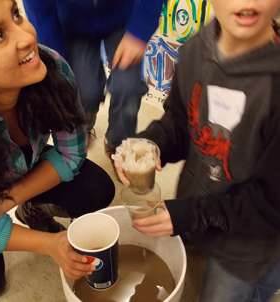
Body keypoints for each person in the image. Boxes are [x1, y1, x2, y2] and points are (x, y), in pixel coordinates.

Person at [0, 0, 115, 301]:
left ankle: (32, 210)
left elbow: (72, 154)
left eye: (16, 14)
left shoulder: (52, 69)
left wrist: (5, 203)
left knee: (96, 188)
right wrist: (50, 244)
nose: (28, 36)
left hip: (17, 178)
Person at [115, 0, 280, 301]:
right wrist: (154, 144)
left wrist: (193, 214)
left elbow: (271, 203)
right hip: (198, 213)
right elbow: (180, 120)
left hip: (247, 250)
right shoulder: (193, 51)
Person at [23, 0, 168, 163]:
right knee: (84, 91)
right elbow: (40, 15)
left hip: (121, 18)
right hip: (73, 26)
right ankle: (85, 126)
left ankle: (118, 144)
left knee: (128, 87)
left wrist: (139, 31)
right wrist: (56, 63)